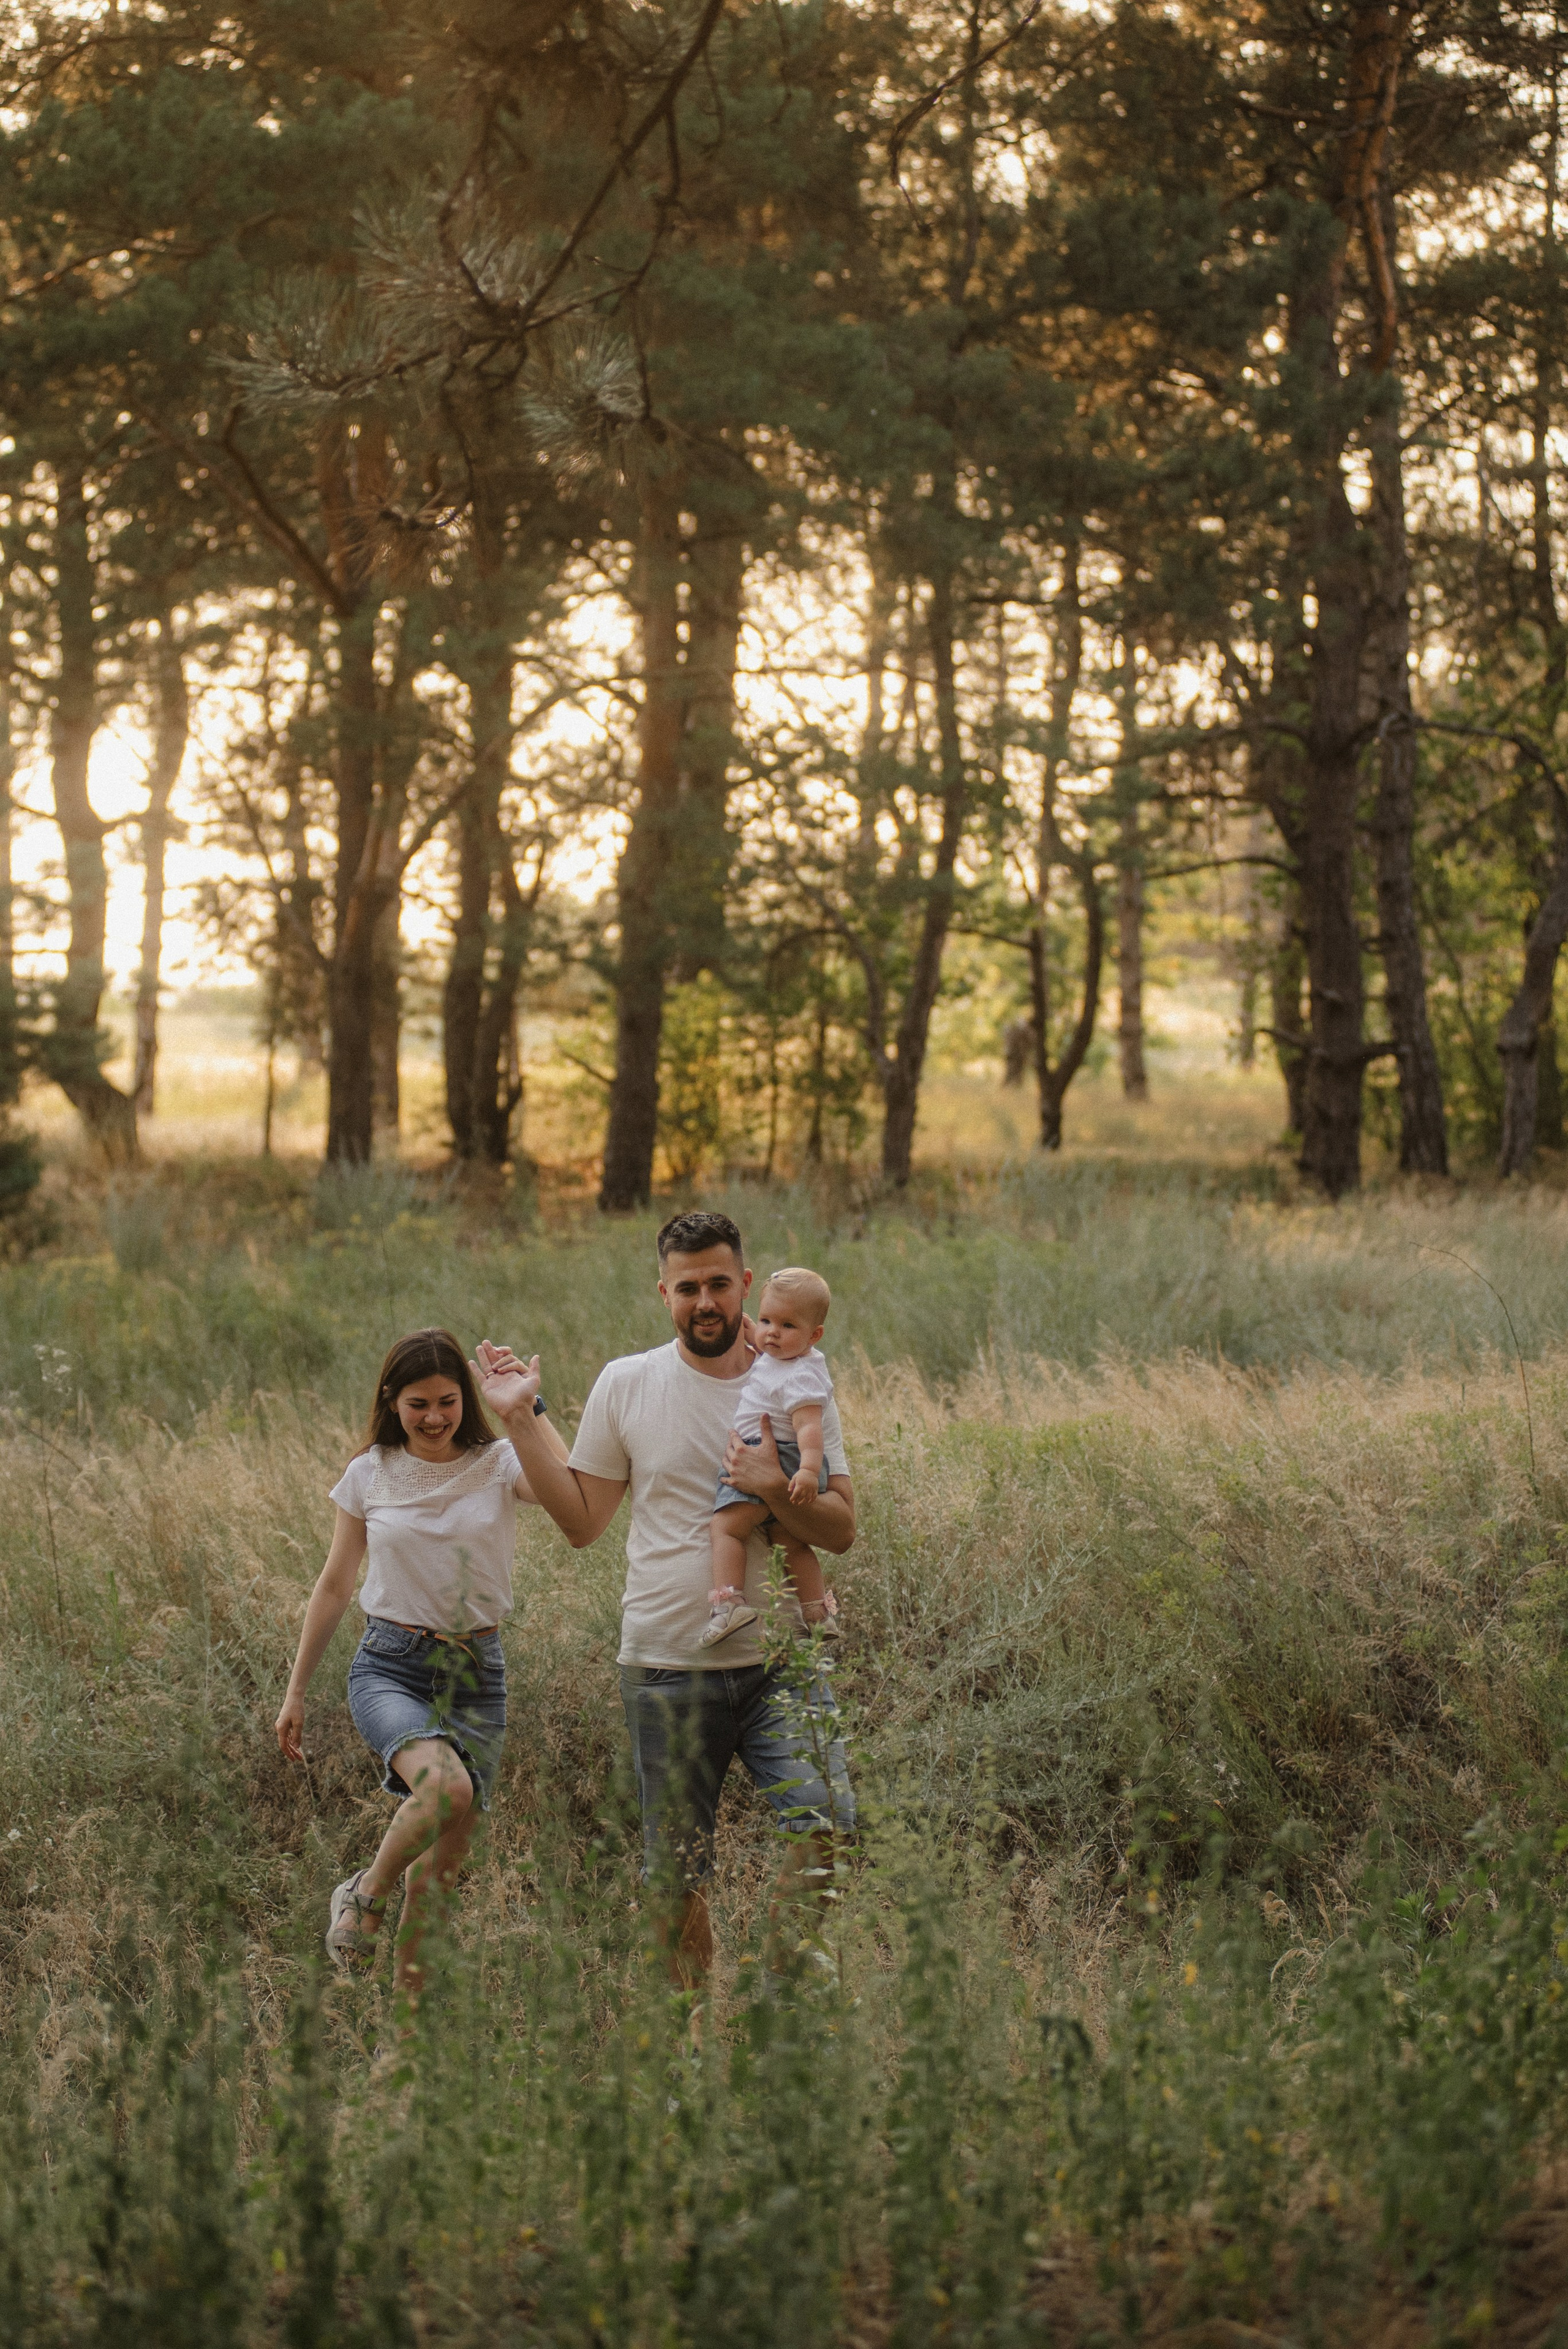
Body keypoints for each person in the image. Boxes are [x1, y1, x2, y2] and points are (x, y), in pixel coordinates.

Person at [471, 1209, 856, 1998]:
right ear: (663, 1293)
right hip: (667, 1663)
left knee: (828, 1825)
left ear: (745, 1282)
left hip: (782, 1658)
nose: (705, 1301)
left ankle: (768, 1999)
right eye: (688, 1288)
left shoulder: (797, 1380)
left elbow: (842, 1528)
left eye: (720, 1283)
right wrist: (517, 1419)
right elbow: (582, 1521)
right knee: (675, 1873)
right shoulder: (628, 1382)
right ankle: (681, 2051)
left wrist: (765, 1490)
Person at [274, 1326, 570, 2000]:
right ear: (391, 1402)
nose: (435, 1418)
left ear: (466, 1397)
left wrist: (529, 1409)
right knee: (447, 1790)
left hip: (477, 1674)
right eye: (417, 1404)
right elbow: (334, 1583)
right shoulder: (369, 1472)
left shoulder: (498, 1462)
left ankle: (405, 2038)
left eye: (447, 1401)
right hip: (391, 1666)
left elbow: (569, 1487)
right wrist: (295, 1691)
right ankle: (364, 1891)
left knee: (438, 1874)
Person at [703, 1265, 840, 1648]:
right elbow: (768, 1343)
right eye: (766, 1320)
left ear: (814, 1336)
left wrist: (810, 1471)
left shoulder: (801, 1376)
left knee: (727, 1528)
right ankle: (817, 1614)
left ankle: (729, 1603)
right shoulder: (790, 1357)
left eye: (787, 1326)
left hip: (781, 1457)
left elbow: (810, 1428)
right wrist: (754, 1331)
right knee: (788, 1538)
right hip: (786, 1460)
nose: (772, 1333)